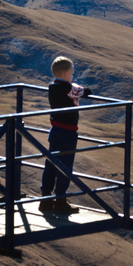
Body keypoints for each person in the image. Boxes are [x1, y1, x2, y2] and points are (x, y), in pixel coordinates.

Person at [39, 56, 92, 215]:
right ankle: (61, 200)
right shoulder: (68, 89)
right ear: (65, 74)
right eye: (71, 74)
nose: (73, 76)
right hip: (67, 132)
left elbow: (72, 88)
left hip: (54, 131)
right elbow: (85, 91)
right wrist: (77, 87)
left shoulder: (52, 86)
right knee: (65, 166)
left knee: (51, 165)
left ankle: (45, 199)